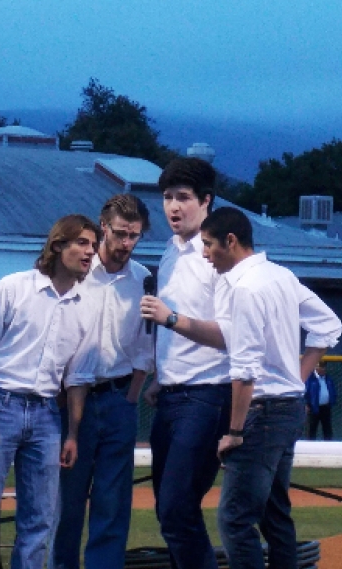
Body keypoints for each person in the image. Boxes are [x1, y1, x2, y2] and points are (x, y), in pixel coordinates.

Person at [0, 215, 101, 569]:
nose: (90, 252)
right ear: (58, 245)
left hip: (47, 415)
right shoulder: (13, 288)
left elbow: (77, 378)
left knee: (40, 521)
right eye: (82, 243)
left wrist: (72, 433)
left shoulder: (85, 308)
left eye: (93, 245)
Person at [202, 207, 342, 569]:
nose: (204, 254)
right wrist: (299, 376)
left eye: (207, 244)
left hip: (262, 411)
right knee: (275, 515)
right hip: (288, 406)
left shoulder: (245, 289)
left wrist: (233, 431)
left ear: (230, 242)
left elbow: (245, 369)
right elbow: (329, 325)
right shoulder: (280, 276)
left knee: (234, 518)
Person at [139, 157, 232, 569]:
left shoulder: (220, 254)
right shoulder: (170, 251)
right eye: (167, 197)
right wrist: (161, 375)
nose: (173, 206)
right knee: (170, 512)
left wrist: (171, 319)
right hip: (173, 396)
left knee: (177, 509)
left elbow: (230, 334)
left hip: (208, 395)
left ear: (206, 201)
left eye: (183, 198)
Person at [52, 195, 153, 569]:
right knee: (67, 502)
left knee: (112, 504)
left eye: (135, 236)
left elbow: (146, 344)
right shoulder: (76, 271)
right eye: (121, 233)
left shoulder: (142, 280)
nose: (127, 243)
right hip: (69, 403)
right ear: (103, 227)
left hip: (118, 400)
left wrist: (132, 395)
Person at [304, 361, 336, 440]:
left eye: (323, 367)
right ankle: (310, 447)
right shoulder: (311, 379)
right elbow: (306, 392)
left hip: (325, 407)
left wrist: (332, 400)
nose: (321, 369)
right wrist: (307, 404)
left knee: (327, 429)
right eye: (319, 366)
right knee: (312, 429)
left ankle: (328, 447)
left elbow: (332, 390)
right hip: (314, 408)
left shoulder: (328, 379)